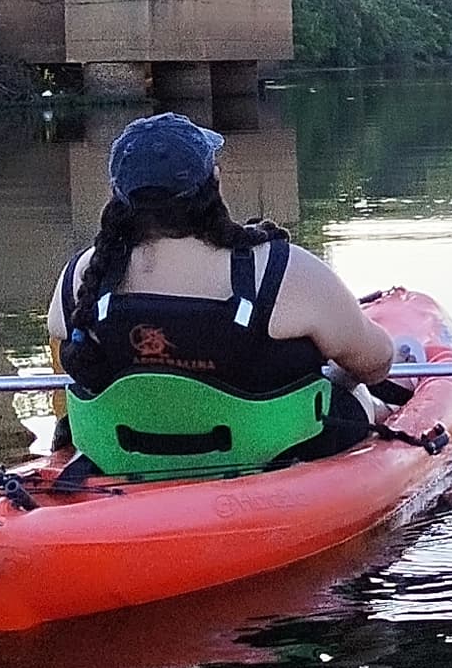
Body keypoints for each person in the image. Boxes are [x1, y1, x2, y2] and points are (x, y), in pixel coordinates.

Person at [44, 112, 408, 480]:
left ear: (118, 197)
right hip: (272, 457)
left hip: (125, 456)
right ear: (213, 183)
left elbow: (63, 346)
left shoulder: (81, 277)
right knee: (356, 393)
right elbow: (375, 362)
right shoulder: (284, 271)